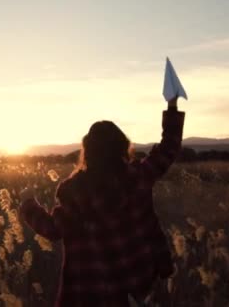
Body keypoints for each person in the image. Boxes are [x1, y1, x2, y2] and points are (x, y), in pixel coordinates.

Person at [18, 97, 185, 306]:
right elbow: (169, 146)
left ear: (88, 151)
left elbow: (52, 229)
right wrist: (172, 105)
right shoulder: (139, 175)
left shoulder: (75, 192)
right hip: (137, 287)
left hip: (90, 292)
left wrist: (28, 204)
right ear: (122, 146)